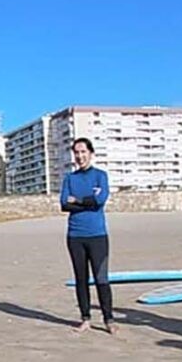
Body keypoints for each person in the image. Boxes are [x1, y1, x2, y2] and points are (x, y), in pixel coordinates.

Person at [60, 137, 114, 333]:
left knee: (101, 278)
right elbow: (64, 204)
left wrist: (78, 200)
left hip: (97, 234)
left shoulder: (101, 176)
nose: (80, 156)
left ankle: (109, 319)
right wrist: (86, 200)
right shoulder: (70, 179)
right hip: (75, 236)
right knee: (81, 279)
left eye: (83, 152)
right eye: (76, 152)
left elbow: (100, 200)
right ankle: (85, 318)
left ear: (91, 153)